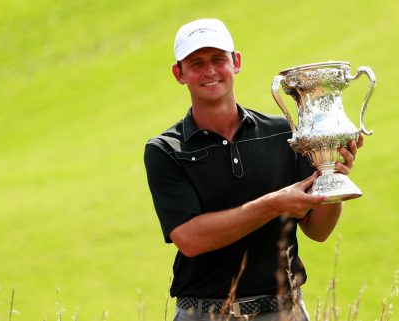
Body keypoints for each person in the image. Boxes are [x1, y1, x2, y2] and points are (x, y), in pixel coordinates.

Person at [144, 18, 363, 321]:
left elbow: (318, 230)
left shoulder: (284, 133)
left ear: (236, 62)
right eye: (196, 63)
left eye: (218, 59)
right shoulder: (166, 150)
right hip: (204, 314)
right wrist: (273, 205)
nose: (209, 71)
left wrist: (334, 176)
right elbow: (190, 239)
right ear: (179, 73)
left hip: (284, 311)